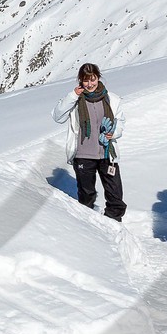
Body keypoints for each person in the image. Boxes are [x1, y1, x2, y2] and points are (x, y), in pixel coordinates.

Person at [53, 63, 126, 221]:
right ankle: (88, 226)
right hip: (83, 154)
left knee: (115, 194)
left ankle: (113, 222)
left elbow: (120, 122)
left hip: (107, 153)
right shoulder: (76, 100)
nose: (90, 84)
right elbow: (58, 117)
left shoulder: (111, 99)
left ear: (98, 78)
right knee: (86, 195)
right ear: (80, 81)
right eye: (86, 80)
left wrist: (112, 133)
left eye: (92, 79)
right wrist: (72, 95)